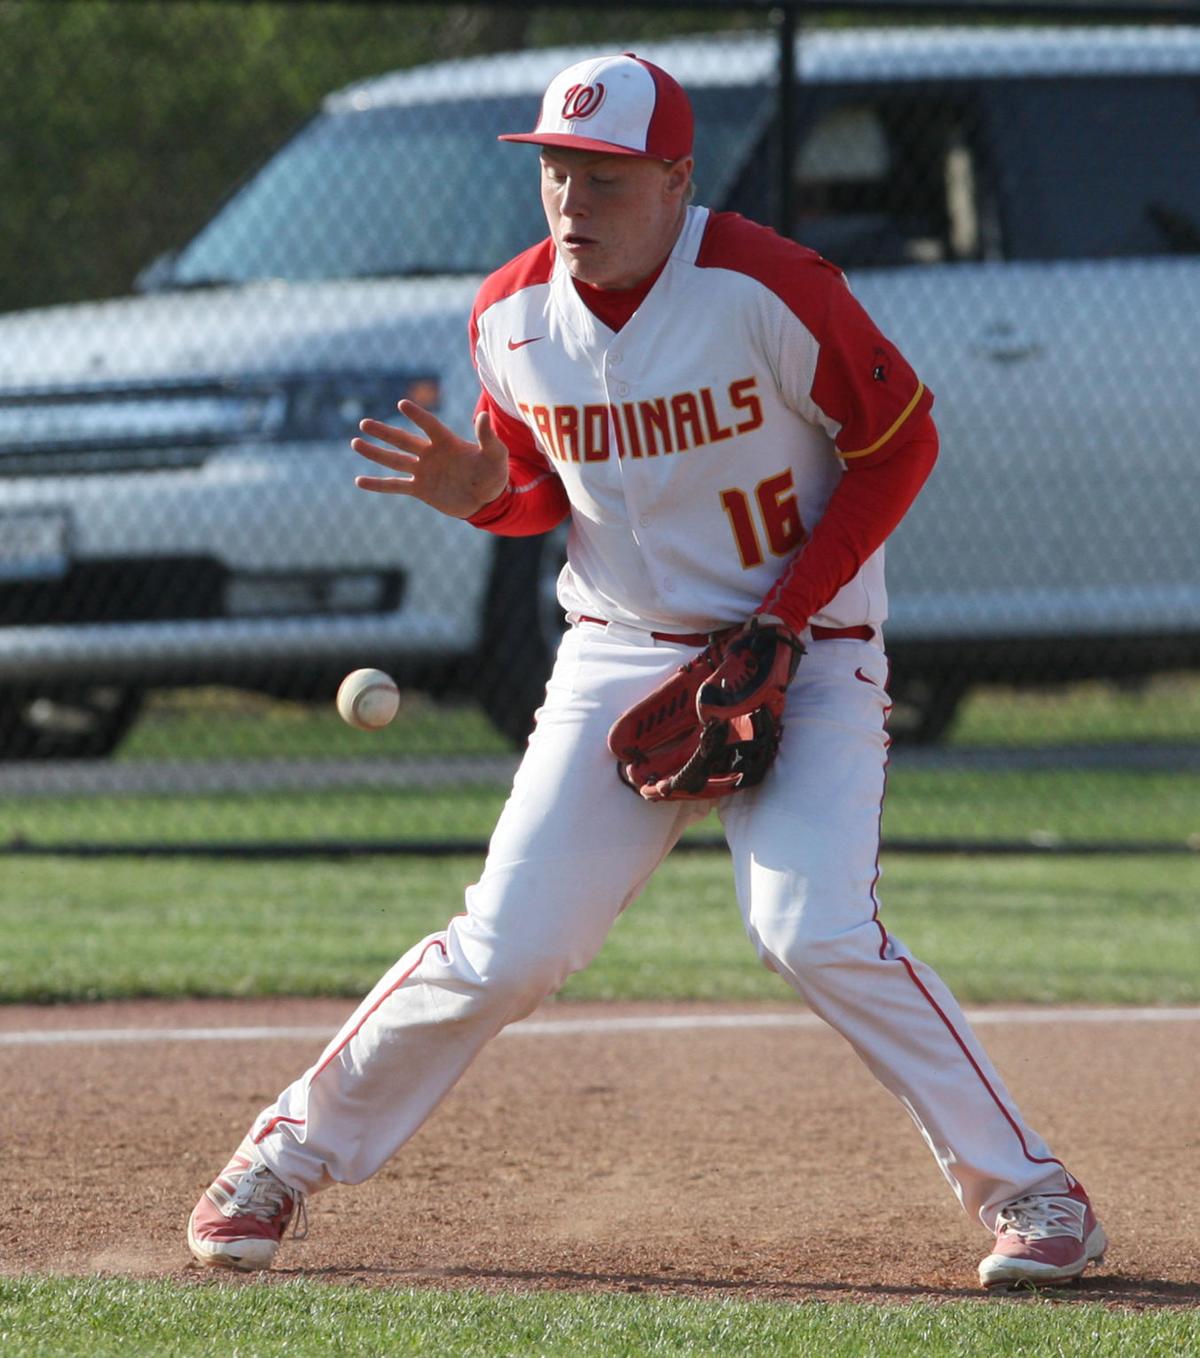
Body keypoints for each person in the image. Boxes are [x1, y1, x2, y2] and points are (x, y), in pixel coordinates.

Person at [187, 52, 1106, 1291]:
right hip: (621, 647)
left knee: (811, 927)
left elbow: (900, 445)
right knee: (506, 942)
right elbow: (537, 492)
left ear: (678, 181)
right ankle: (278, 1160)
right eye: (557, 172)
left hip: (812, 647)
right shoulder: (510, 317)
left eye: (607, 178)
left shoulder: (770, 289)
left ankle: (1038, 1197)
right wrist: (486, 498)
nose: (573, 201)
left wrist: (782, 616)